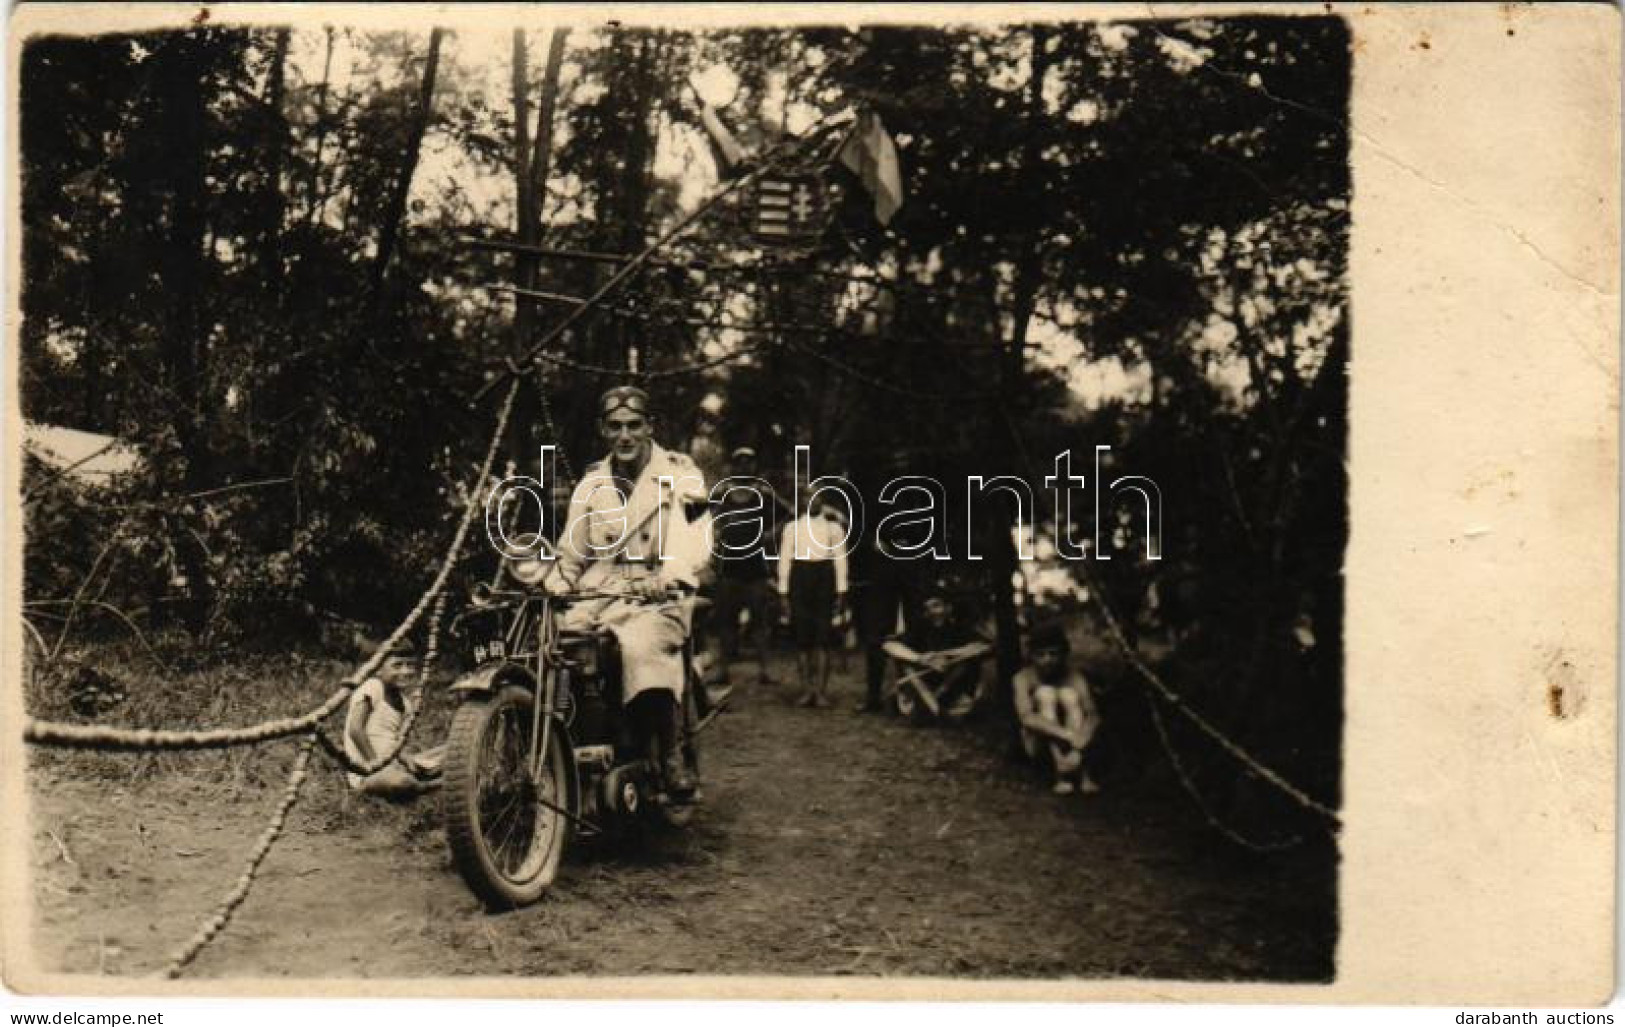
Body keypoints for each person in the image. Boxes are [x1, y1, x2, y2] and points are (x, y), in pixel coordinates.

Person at [555, 385, 713, 798]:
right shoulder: (591, 484)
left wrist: (670, 575)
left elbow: (695, 539)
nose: (624, 436)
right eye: (615, 427)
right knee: (556, 643)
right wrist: (552, 587)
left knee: (642, 649)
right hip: (601, 590)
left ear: (650, 428)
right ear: (602, 430)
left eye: (633, 426)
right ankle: (564, 748)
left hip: (661, 590)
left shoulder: (682, 475)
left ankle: (669, 751)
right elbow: (573, 554)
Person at [711, 446, 782, 688]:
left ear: (754, 465)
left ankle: (765, 670)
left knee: (760, 621)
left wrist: (770, 534)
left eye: (748, 462)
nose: (744, 466)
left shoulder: (763, 491)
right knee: (726, 620)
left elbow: (787, 513)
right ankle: (723, 670)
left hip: (756, 567)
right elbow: (706, 517)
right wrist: (716, 533)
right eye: (739, 462)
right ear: (733, 465)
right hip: (729, 565)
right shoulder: (722, 491)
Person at [343, 640, 444, 797]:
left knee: (452, 750)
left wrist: (405, 760)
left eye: (410, 665)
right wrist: (376, 765)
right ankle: (426, 786)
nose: (405, 671)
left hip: (393, 764)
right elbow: (355, 730)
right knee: (401, 782)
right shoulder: (373, 687)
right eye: (397, 666)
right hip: (368, 771)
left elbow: (393, 743)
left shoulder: (405, 703)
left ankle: (423, 774)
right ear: (377, 669)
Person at [1012, 618, 1101, 796]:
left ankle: (1083, 774)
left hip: (1077, 744)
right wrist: (1068, 736)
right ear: (1031, 656)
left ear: (1063, 654)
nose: (1048, 660)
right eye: (1041, 655)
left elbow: (1093, 714)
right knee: (1046, 693)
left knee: (1069, 695)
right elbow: (1027, 717)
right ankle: (1061, 774)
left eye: (1053, 654)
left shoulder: (1074, 676)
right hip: (1040, 745)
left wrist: (1079, 745)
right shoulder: (1023, 677)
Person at [777, 494, 849, 708]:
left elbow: (840, 559)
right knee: (802, 638)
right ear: (801, 502)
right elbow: (784, 559)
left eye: (817, 497)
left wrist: (842, 590)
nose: (812, 501)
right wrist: (783, 592)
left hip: (824, 579)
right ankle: (807, 689)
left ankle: (820, 691)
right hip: (800, 578)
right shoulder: (792, 528)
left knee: (823, 638)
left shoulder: (833, 528)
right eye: (808, 498)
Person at [881, 585, 989, 718]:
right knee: (905, 663)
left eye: (936, 605)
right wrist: (921, 659)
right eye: (928, 608)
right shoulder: (920, 629)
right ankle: (932, 705)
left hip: (953, 680)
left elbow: (982, 646)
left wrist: (944, 655)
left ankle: (938, 702)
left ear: (948, 608)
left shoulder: (959, 628)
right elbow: (889, 645)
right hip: (926, 677)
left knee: (967, 664)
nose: (932, 611)